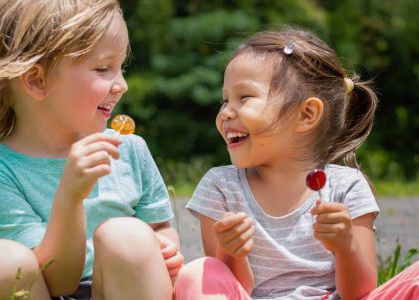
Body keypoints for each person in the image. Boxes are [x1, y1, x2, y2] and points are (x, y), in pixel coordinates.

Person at [0, 1, 183, 299]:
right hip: (46, 289)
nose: (121, 85)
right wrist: (70, 197)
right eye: (103, 68)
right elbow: (59, 281)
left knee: (129, 235)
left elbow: (160, 227)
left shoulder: (130, 150)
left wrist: (164, 246)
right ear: (36, 80)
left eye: (120, 67)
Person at [174, 27, 419, 299]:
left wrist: (346, 246)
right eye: (224, 100)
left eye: (244, 97)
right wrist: (230, 253)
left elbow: (360, 292)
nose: (225, 112)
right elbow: (234, 288)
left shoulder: (346, 187)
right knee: (199, 273)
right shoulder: (220, 187)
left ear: (306, 114)